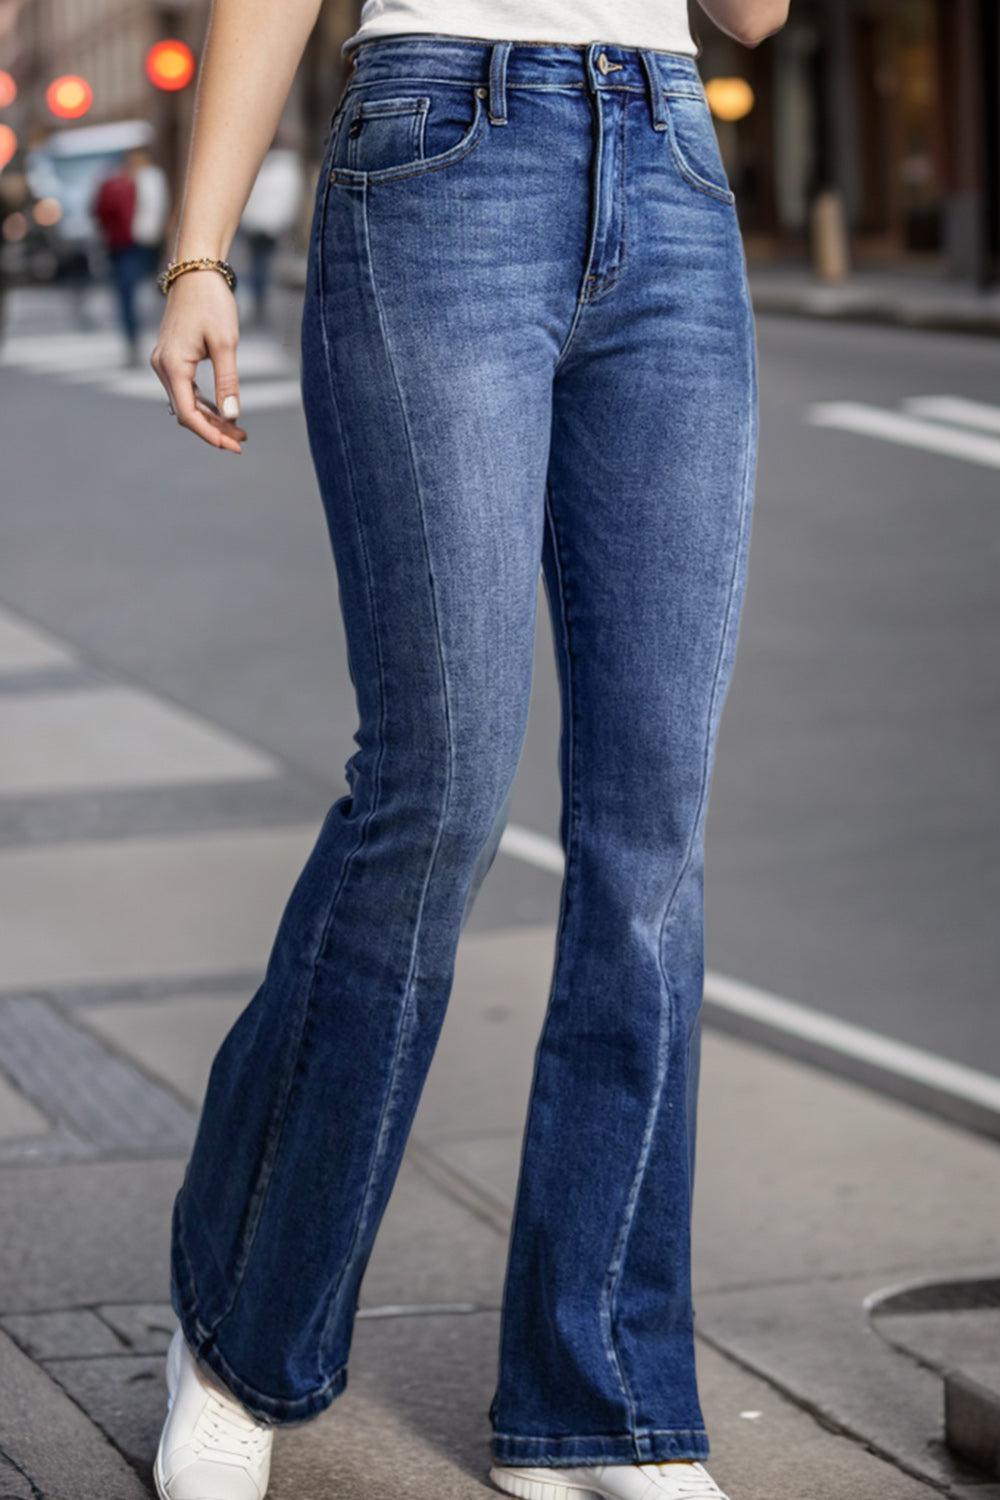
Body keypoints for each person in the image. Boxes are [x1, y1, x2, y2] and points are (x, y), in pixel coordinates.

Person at [149, 0, 790, 1497]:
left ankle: (601, 1398)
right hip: (444, 148)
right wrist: (199, 250)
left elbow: (753, 12)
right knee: (434, 792)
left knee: (652, 837)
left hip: (675, 163)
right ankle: (239, 1336)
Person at [93, 145, 169, 365]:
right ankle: (133, 339)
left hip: (148, 243)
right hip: (124, 244)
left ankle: (158, 335)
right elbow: (101, 211)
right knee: (127, 292)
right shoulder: (116, 182)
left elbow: (161, 209)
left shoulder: (152, 179)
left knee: (153, 290)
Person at [238, 138, 305, 329]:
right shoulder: (280, 168)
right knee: (258, 264)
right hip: (260, 224)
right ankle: (258, 299)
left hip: (265, 224)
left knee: (260, 264)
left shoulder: (280, 168)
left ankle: (260, 299)